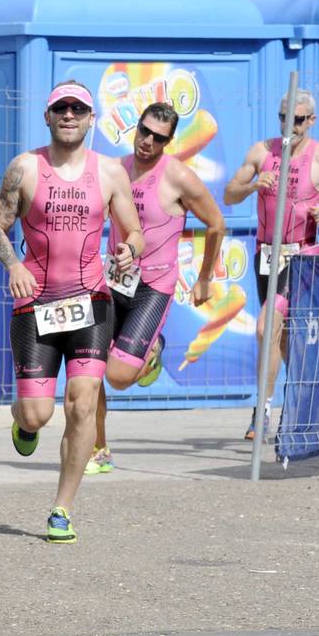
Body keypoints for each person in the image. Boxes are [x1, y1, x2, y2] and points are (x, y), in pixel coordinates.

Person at [0, 82, 144, 542]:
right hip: (35, 304)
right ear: (48, 116)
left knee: (81, 406)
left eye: (78, 109)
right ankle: (25, 422)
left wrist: (130, 250)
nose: (69, 115)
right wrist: (13, 263)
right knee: (37, 414)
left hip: (91, 302)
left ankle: (62, 508)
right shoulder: (25, 168)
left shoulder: (111, 172)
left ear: (91, 119)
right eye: (61, 108)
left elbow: (135, 230)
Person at [86, 103, 226, 475]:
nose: (147, 141)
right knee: (90, 367)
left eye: (158, 137)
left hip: (153, 286)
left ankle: (154, 348)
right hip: (113, 279)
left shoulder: (179, 177)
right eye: (143, 131)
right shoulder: (114, 169)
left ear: (169, 140)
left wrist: (205, 277)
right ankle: (98, 448)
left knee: (118, 376)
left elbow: (216, 224)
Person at [224, 89, 319, 440]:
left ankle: (262, 412)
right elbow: (228, 194)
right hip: (266, 254)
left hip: (302, 256)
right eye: (284, 118)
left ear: (311, 121)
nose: (290, 125)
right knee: (282, 340)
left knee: (266, 327)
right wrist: (254, 185)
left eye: (297, 119)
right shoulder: (261, 151)